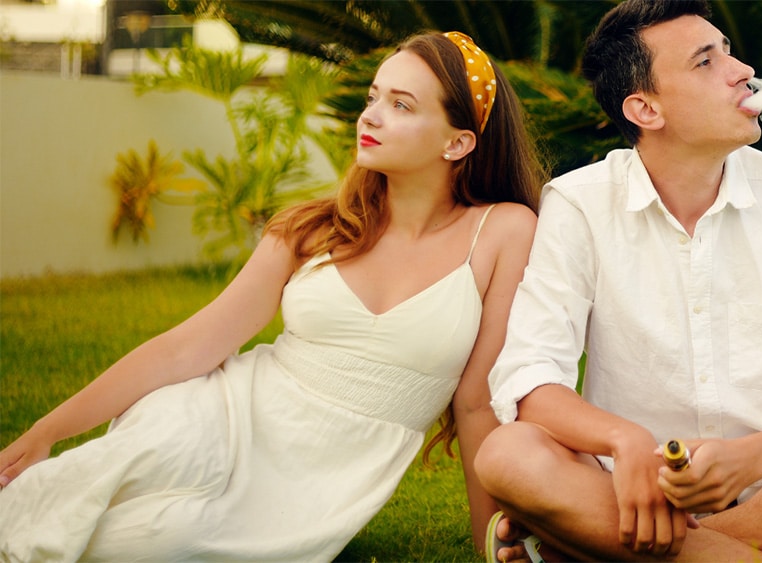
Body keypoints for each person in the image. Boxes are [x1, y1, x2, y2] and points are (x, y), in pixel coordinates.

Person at [0, 31, 546, 561]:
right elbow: (186, 349)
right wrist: (47, 432)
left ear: (458, 142)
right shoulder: (312, 229)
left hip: (314, 481)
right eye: (373, 97)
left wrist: (491, 543)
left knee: (161, 542)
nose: (371, 116)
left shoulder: (502, 232)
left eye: (401, 105)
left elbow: (477, 402)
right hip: (221, 417)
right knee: (51, 507)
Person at [474, 1, 762, 562]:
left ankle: (582, 549)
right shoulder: (577, 205)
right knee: (507, 454)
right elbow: (530, 376)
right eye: (705, 61)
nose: (741, 69)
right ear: (645, 108)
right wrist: (628, 445)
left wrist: (749, 459)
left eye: (727, 50)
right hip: (629, 488)